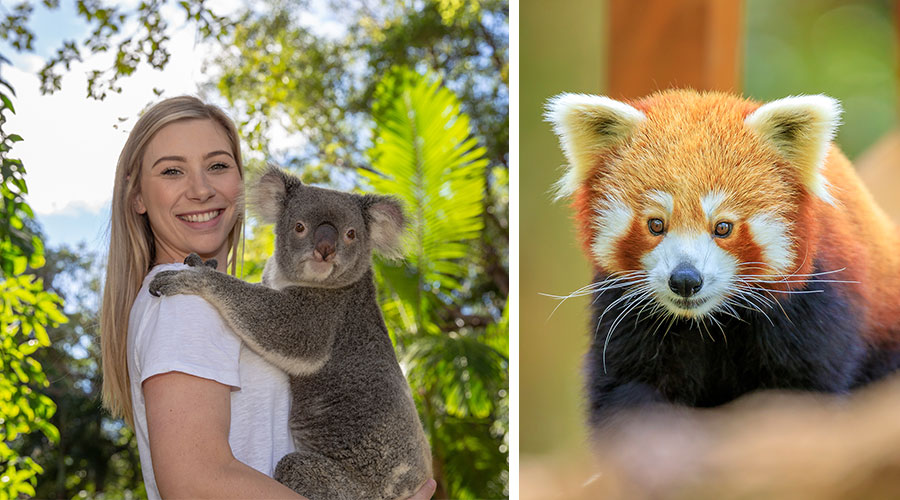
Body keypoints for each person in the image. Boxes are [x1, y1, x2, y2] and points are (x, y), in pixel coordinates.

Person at [99, 96, 437, 499]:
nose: (201, 189)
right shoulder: (186, 295)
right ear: (136, 196)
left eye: (218, 166)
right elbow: (194, 483)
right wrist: (211, 285)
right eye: (172, 171)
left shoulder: (229, 293)